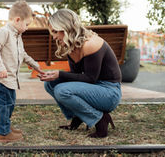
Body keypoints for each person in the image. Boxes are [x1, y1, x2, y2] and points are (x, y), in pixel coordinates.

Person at [39, 9, 122, 138]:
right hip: (94, 89)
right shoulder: (71, 43)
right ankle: (78, 116)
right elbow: (76, 76)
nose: (54, 37)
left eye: (55, 32)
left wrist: (60, 74)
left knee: (62, 90)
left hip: (109, 92)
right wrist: (54, 76)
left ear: (66, 27)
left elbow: (90, 78)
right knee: (51, 84)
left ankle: (100, 120)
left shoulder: (91, 43)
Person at [0, 0, 44, 143]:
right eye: (26, 24)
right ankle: (2, 133)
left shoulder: (17, 36)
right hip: (2, 77)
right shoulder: (4, 32)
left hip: (11, 79)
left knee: (10, 103)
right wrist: (0, 67)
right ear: (17, 20)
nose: (27, 28)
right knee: (5, 103)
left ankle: (6, 126)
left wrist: (36, 65)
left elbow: (23, 54)